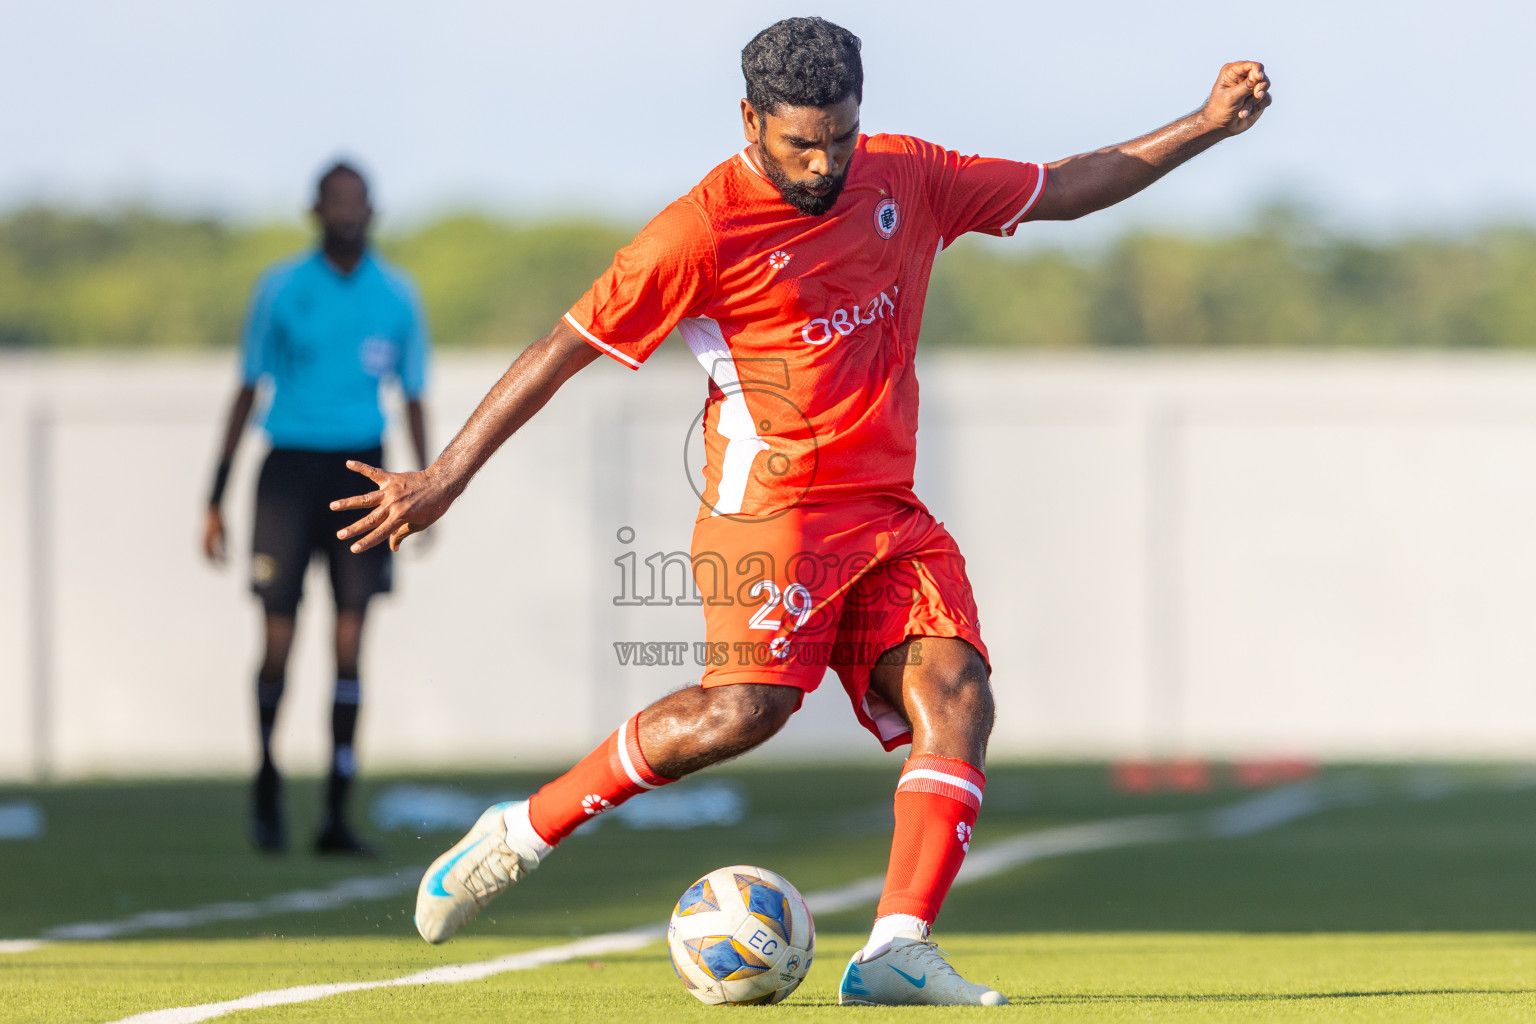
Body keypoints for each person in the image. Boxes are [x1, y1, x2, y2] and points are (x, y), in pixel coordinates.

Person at [333, 18, 1270, 1005]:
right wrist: (444, 475)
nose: (824, 162)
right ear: (750, 120)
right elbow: (561, 348)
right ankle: (519, 833)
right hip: (770, 517)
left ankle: (897, 946)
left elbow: (1066, 187)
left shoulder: (906, 176)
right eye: (799, 144)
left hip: (887, 513)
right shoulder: (695, 232)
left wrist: (1204, 124)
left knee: (959, 692)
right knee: (746, 711)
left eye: (841, 136)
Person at [202, 161, 431, 856]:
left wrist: (426, 487)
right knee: (277, 638)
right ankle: (267, 780)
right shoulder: (282, 290)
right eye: (337, 202)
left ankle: (336, 810)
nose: (349, 214)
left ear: (373, 210)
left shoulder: (396, 296)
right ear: (317, 210)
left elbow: (413, 394)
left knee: (351, 641)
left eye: (359, 202)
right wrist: (214, 496)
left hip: (362, 466)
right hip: (288, 469)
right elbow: (247, 387)